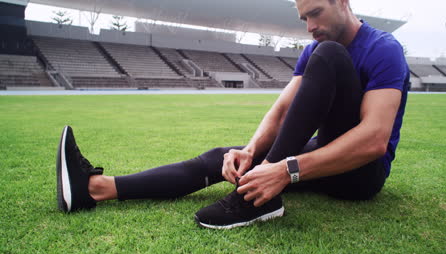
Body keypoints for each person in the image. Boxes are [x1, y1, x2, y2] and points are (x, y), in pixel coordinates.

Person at [56, 0, 410, 230]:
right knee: (223, 159)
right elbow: (284, 107)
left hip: (360, 176)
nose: (309, 26)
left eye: (315, 12)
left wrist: (286, 170)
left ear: (343, 2)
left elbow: (374, 140)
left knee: (330, 54)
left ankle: (257, 200)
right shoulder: (313, 49)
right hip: (322, 151)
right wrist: (253, 152)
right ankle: (96, 189)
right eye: (303, 18)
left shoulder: (383, 49)